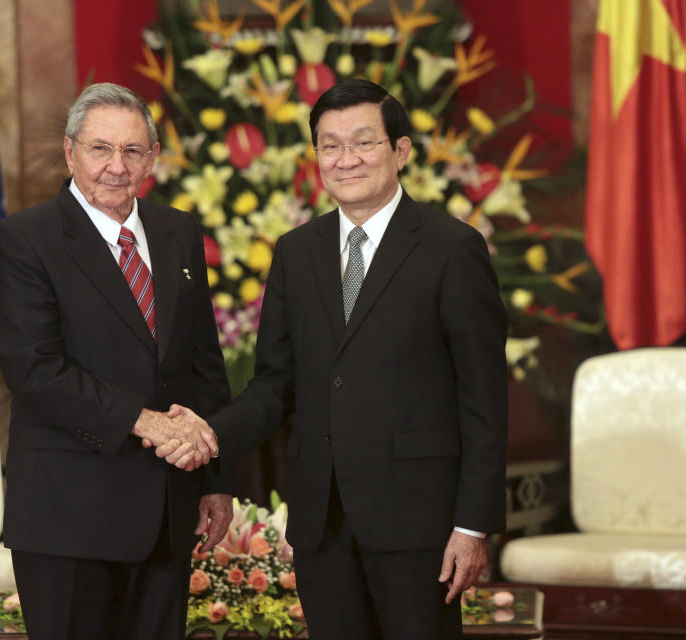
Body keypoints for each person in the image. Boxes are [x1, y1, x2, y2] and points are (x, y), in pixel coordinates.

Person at [159, 79, 508, 639]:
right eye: (330, 145)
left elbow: (484, 399)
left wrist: (473, 526)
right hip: (322, 523)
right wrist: (212, 435)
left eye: (363, 142)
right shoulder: (296, 252)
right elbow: (275, 383)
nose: (347, 159)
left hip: (418, 523)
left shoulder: (452, 248)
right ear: (316, 156)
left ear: (400, 151)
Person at [0, 82, 233, 640]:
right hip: (69, 519)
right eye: (100, 148)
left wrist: (219, 479)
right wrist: (142, 420)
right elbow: (34, 371)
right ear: (71, 152)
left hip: (167, 517)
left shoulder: (177, 231)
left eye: (131, 150)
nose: (115, 166)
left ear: (152, 158)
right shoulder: (26, 239)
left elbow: (203, 363)